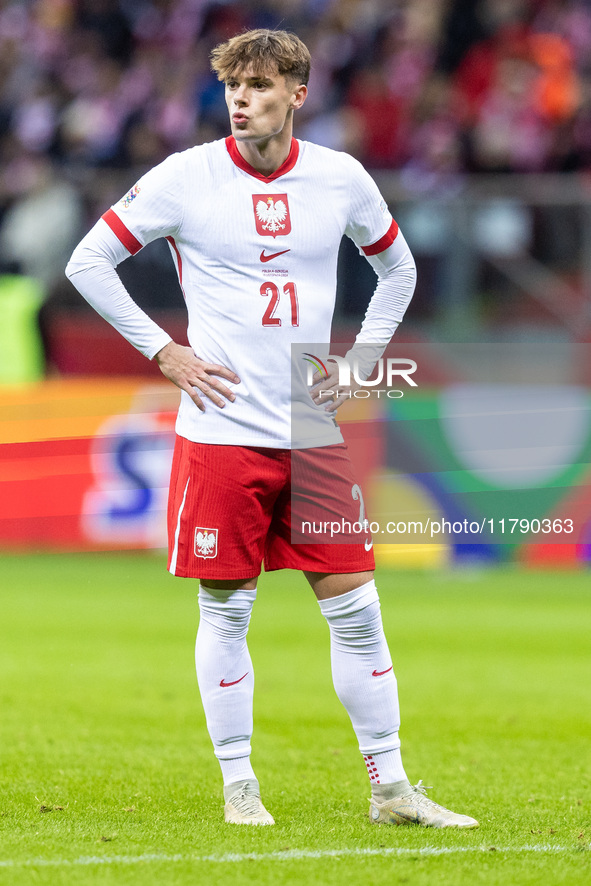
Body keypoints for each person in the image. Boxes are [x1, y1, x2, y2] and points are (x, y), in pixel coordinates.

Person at [66, 28, 478, 830]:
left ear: (297, 93)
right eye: (231, 88)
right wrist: (164, 351)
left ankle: (391, 790)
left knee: (357, 609)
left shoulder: (339, 178)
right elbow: (89, 260)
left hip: (307, 423)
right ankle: (238, 786)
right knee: (226, 612)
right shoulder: (185, 177)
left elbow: (397, 267)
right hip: (221, 430)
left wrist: (360, 360)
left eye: (257, 87)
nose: (240, 101)